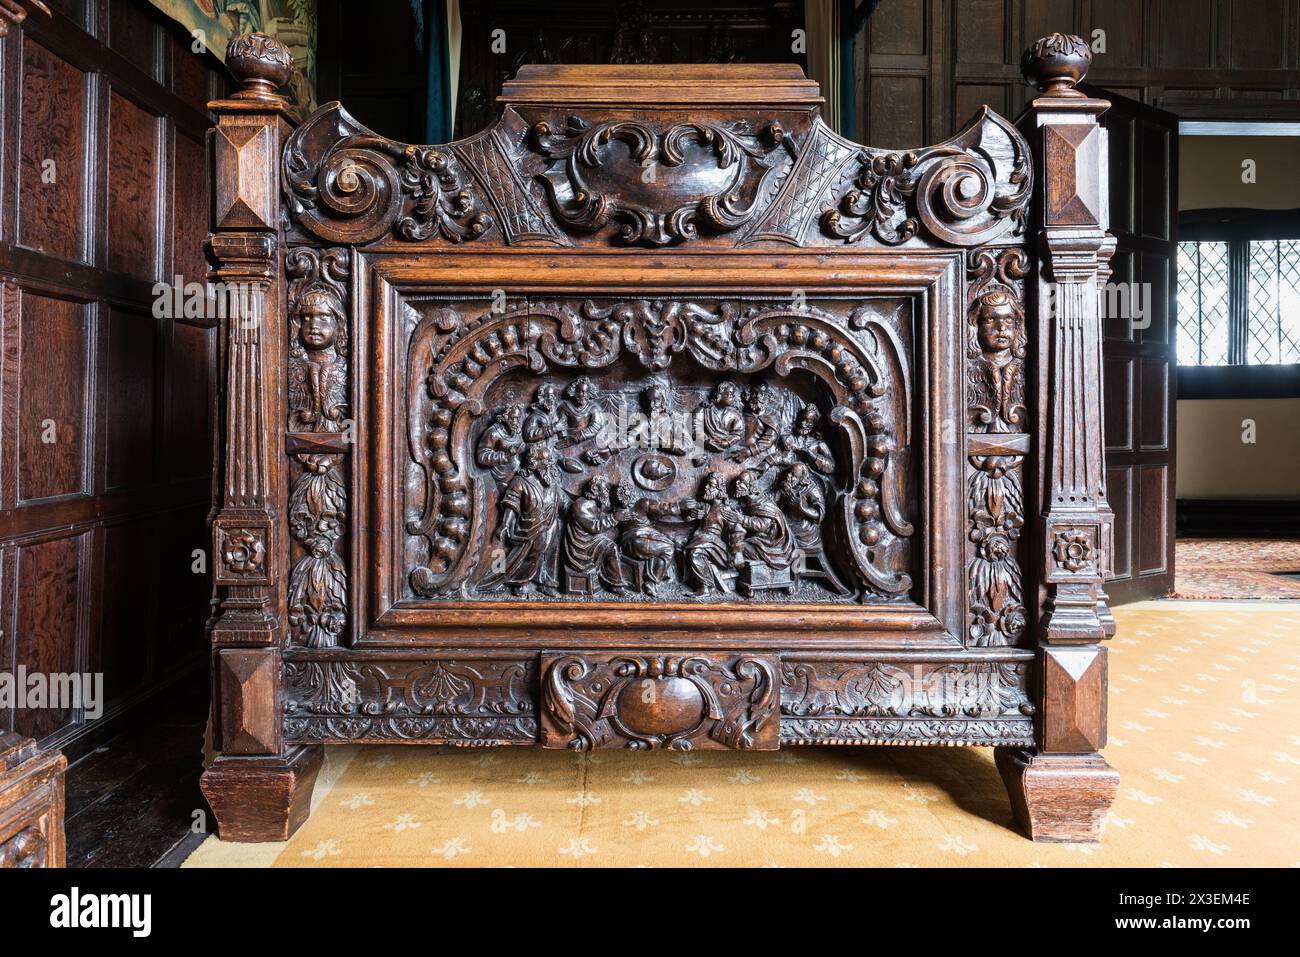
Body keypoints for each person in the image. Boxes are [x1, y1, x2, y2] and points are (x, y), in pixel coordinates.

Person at [480, 443, 562, 594]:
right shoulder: (520, 481)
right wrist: (504, 524)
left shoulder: (551, 482)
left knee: (549, 552)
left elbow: (559, 502)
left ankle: (546, 582)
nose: (549, 464)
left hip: (550, 524)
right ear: (534, 463)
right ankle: (520, 581)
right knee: (534, 553)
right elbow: (512, 504)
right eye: (545, 461)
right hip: (530, 527)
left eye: (550, 460)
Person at [612, 480, 678, 594]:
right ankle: (652, 582)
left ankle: (656, 576)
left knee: (660, 544)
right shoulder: (642, 503)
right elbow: (662, 508)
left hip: (626, 545)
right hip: (640, 542)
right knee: (668, 548)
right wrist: (679, 506)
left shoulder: (616, 510)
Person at [563, 476, 628, 592]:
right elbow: (594, 527)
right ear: (594, 490)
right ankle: (616, 584)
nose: (606, 493)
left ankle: (612, 580)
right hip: (581, 545)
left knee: (613, 543)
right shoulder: (580, 506)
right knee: (611, 547)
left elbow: (598, 518)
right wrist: (614, 518)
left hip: (590, 539)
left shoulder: (593, 503)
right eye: (604, 490)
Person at [683, 471, 744, 593]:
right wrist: (691, 515)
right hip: (704, 540)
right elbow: (688, 518)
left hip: (717, 546)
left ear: (719, 489)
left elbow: (737, 530)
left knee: (696, 553)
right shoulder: (705, 506)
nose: (706, 488)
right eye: (706, 484)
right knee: (688, 547)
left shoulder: (725, 509)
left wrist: (738, 553)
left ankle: (705, 587)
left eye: (710, 485)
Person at [732, 469, 794, 571]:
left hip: (770, 545)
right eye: (738, 481)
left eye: (742, 482)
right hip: (760, 539)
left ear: (750, 487)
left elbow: (762, 525)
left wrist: (742, 519)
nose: (737, 484)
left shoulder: (762, 504)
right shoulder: (750, 501)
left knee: (739, 547)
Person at [779, 403, 836, 475]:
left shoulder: (819, 444)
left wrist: (812, 455)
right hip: (785, 470)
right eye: (802, 419)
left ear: (814, 424)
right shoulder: (792, 437)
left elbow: (831, 467)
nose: (803, 423)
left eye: (807, 421)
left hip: (805, 476)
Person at [475, 404, 525, 483]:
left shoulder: (516, 430)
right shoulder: (494, 432)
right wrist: (505, 455)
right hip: (503, 477)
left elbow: (521, 446)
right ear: (506, 417)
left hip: (518, 472)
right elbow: (482, 456)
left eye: (518, 418)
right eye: (514, 418)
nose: (517, 422)